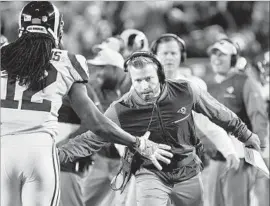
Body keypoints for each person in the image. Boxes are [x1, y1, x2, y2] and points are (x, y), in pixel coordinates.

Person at [0, 2, 172, 206]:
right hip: (40, 152)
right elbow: (95, 122)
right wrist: (137, 142)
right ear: (57, 29)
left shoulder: (3, 55)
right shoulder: (68, 61)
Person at [58, 51, 261, 206]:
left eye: (149, 79)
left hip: (187, 171)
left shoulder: (186, 90)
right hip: (150, 173)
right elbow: (91, 138)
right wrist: (57, 155)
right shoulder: (122, 109)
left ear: (160, 75)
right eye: (138, 81)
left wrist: (246, 135)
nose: (144, 86)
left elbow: (219, 113)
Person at [150, 33, 240, 206]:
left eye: (173, 53)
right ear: (155, 56)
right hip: (153, 167)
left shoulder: (192, 86)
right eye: (164, 53)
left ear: (181, 56)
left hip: (185, 166)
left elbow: (208, 122)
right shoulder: (143, 84)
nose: (169, 57)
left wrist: (228, 150)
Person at [206, 38, 269, 206]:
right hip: (216, 156)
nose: (217, 59)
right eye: (214, 54)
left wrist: (258, 150)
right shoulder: (209, 85)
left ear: (233, 59)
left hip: (240, 155)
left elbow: (258, 116)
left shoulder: (245, 82)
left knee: (236, 202)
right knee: (213, 202)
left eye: (222, 55)